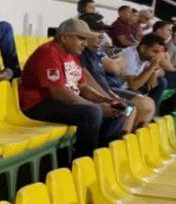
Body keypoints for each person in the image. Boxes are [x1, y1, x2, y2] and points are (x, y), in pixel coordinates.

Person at [18, 18, 127, 158]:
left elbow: (83, 87)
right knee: (92, 112)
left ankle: (102, 155)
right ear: (64, 38)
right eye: (81, 38)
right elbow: (59, 92)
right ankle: (84, 159)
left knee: (121, 109)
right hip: (38, 105)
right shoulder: (48, 53)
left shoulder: (72, 55)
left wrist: (108, 101)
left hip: (60, 102)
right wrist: (97, 107)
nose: (85, 43)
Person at [82, 13, 154, 129]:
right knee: (129, 109)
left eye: (102, 32)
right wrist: (109, 98)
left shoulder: (95, 52)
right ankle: (118, 137)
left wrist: (111, 96)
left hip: (107, 92)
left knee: (145, 105)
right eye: (96, 31)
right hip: (96, 95)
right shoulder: (80, 54)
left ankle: (131, 136)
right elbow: (89, 82)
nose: (101, 36)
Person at [117, 33, 171, 109]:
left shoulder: (144, 55)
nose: (157, 56)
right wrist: (152, 67)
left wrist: (154, 73)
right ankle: (137, 112)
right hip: (119, 89)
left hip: (132, 86)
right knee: (137, 94)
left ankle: (151, 109)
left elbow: (162, 72)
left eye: (159, 53)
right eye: (155, 51)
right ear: (143, 48)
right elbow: (133, 86)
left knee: (161, 81)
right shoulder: (129, 56)